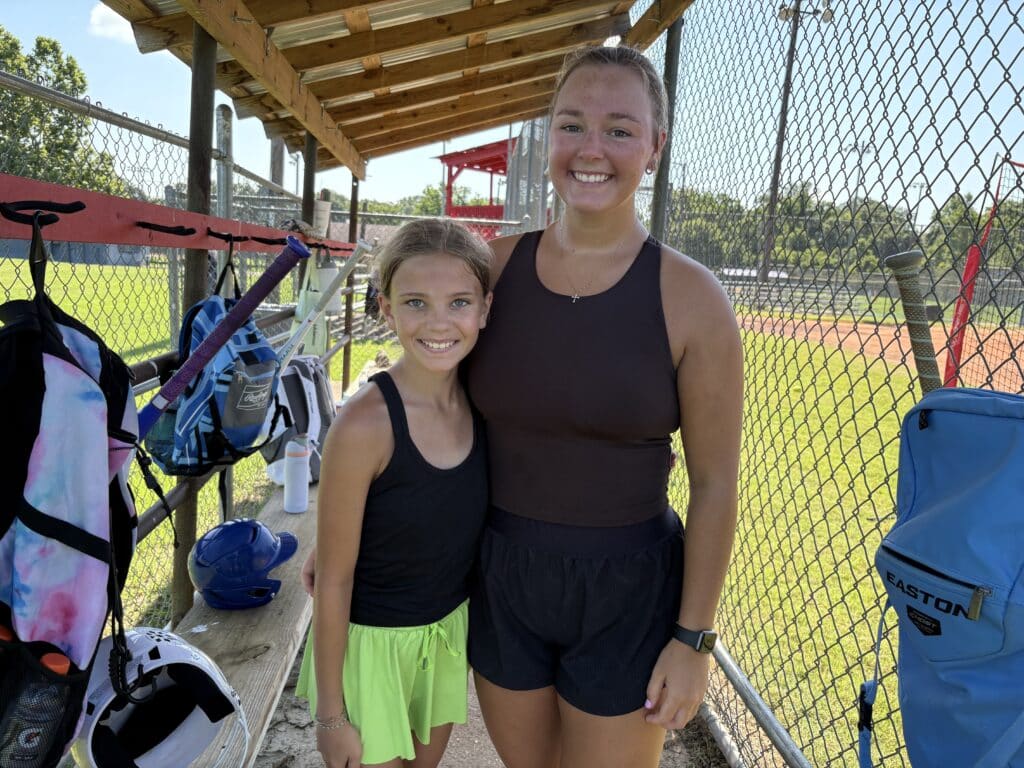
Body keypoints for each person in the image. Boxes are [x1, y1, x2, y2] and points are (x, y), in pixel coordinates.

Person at [462, 44, 742, 768]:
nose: (592, 149)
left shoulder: (692, 298)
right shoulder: (491, 270)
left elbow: (714, 484)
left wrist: (693, 640)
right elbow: (420, 410)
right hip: (503, 577)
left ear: (655, 147)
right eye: (571, 124)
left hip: (629, 592)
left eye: (620, 129)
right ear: (546, 138)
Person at [295, 218, 493, 768]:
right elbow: (333, 580)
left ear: (485, 309)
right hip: (373, 645)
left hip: (445, 634)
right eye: (414, 302)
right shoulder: (364, 425)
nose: (438, 322)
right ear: (385, 309)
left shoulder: (485, 403)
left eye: (458, 302)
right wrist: (331, 717)